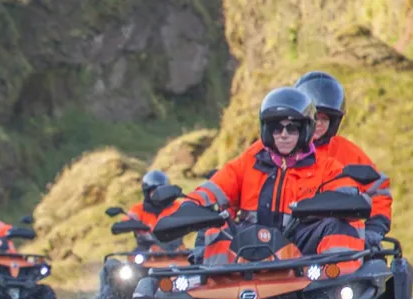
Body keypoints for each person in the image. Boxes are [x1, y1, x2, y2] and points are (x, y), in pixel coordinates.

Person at [179, 86, 376, 263]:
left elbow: (347, 194)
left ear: (306, 130)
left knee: (341, 224)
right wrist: (190, 206)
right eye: (276, 128)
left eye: (292, 128)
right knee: (215, 226)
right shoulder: (247, 163)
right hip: (246, 251)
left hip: (303, 255)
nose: (283, 134)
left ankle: (334, 288)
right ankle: (213, 290)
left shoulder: (328, 168)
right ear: (266, 130)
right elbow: (215, 188)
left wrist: (338, 202)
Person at [223, 71, 393, 245]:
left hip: (314, 244)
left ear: (334, 122)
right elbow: (233, 178)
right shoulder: (263, 151)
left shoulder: (347, 152)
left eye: (324, 119)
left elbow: (378, 189)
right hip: (262, 240)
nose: (317, 123)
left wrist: (375, 227)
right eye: (313, 117)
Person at [121, 170, 180, 250]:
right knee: (131, 259)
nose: (157, 195)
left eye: (161, 191)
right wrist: (130, 223)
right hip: (146, 248)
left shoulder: (178, 206)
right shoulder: (138, 209)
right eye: (154, 191)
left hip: (175, 248)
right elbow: (128, 219)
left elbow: (191, 215)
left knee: (193, 258)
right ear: (147, 193)